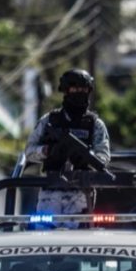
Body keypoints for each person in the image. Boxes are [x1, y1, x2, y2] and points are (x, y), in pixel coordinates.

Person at [24, 69, 111, 217]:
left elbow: (103, 156)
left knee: (78, 239)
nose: (79, 92)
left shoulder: (95, 125)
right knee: (43, 237)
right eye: (75, 89)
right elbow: (29, 151)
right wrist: (47, 151)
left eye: (83, 89)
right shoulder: (49, 120)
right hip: (50, 191)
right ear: (65, 91)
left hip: (81, 194)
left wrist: (86, 158)